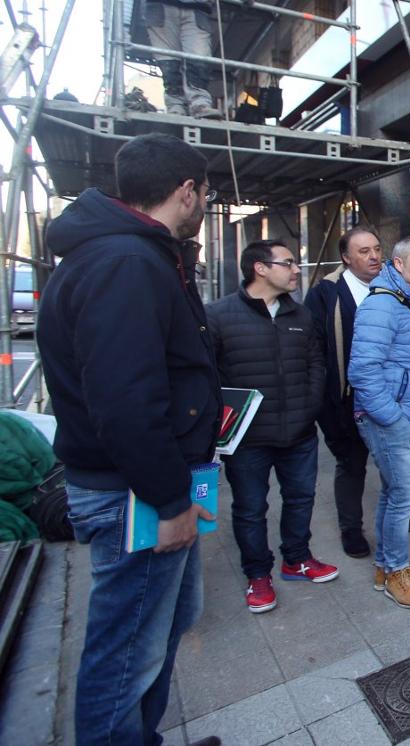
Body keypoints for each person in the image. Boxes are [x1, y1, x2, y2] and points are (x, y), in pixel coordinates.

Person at [38, 133, 221, 745]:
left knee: (160, 629)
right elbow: (125, 399)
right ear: (186, 190)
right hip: (135, 495)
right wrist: (168, 501)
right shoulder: (126, 262)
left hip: (145, 483)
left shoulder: (133, 254)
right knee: (126, 653)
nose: (205, 203)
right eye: (205, 192)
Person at [206, 240, 335, 613]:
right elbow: (209, 377)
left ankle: (297, 559)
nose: (296, 269)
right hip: (248, 438)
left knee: (301, 498)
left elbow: (317, 365)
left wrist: (309, 408)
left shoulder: (301, 314)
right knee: (250, 507)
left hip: (299, 432)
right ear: (260, 268)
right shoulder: (218, 316)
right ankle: (257, 575)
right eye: (288, 263)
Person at [306, 227, 410, 559]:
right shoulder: (326, 294)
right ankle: (351, 528)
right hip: (346, 400)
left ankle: (403, 510)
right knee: (352, 465)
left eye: (376, 249)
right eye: (363, 251)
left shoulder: (396, 285)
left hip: (393, 397)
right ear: (346, 258)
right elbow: (314, 351)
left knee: (396, 461)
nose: (374, 256)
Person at [348, 236, 410, 608]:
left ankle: (387, 565)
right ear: (399, 265)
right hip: (393, 420)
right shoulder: (382, 305)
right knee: (404, 496)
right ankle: (396, 573)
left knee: (392, 492)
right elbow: (363, 371)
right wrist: (394, 419)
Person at [140, 0, 221, 118]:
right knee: (169, 60)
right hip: (164, 6)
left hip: (196, 7)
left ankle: (196, 103)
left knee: (198, 59)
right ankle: (178, 104)